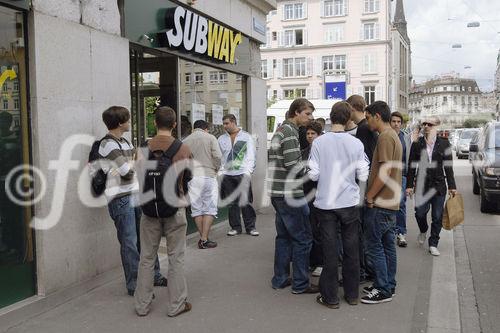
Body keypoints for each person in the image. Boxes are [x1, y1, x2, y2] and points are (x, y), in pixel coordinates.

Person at [98, 106, 167, 297]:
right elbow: (127, 173)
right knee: (130, 242)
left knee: (147, 239)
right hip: (121, 199)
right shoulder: (108, 145)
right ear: (120, 123)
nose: (130, 122)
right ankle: (135, 284)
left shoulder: (124, 141)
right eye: (128, 119)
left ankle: (154, 275)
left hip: (135, 195)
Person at [309, 102, 370, 308]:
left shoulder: (319, 142)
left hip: (326, 203)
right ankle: (352, 295)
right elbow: (363, 174)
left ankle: (331, 297)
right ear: (348, 119)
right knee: (352, 248)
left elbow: (313, 174)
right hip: (349, 202)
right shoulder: (356, 143)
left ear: (331, 117)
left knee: (330, 251)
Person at [134, 106, 192, 317]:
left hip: (149, 209)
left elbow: (139, 176)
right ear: (174, 124)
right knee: (176, 257)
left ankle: (142, 305)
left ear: (155, 123)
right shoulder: (182, 148)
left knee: (147, 257)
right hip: (174, 207)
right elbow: (188, 177)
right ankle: (176, 305)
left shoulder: (142, 148)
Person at [268, 98, 318, 294]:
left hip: (278, 192)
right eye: (307, 113)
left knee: (283, 238)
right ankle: (300, 283)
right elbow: (292, 165)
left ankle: (280, 278)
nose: (310, 118)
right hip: (290, 194)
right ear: (296, 112)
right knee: (303, 239)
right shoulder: (290, 132)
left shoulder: (279, 130)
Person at [361, 101, 402, 304]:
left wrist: (370, 196)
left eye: (368, 118)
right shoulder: (393, 135)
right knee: (387, 246)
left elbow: (384, 171)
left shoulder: (385, 136)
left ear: (377, 116)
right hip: (390, 202)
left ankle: (383, 288)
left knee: (375, 246)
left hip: (380, 202)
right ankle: (386, 284)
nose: (367, 122)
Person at [406, 116, 457, 256]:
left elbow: (448, 167)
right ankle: (423, 230)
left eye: (430, 124)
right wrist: (409, 185)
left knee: (437, 216)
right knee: (420, 213)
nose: (427, 126)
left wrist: (452, 186)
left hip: (439, 186)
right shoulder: (417, 144)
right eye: (424, 124)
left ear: (437, 127)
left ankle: (433, 243)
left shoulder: (444, 144)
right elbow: (411, 167)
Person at [346, 95, 378, 283]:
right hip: (368, 188)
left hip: (363, 188)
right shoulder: (365, 128)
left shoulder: (364, 130)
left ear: (352, 108)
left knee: (362, 233)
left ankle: (365, 271)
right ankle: (367, 269)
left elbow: (365, 163)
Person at [183, 120, 222, 249]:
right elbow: (217, 156)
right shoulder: (211, 138)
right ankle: (204, 239)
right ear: (206, 128)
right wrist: (216, 168)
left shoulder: (186, 140)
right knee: (209, 208)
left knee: (197, 209)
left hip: (193, 177)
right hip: (209, 176)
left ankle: (203, 239)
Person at [218, 114, 259, 236]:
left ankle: (251, 227)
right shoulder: (221, 139)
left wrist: (248, 171)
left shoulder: (246, 137)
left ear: (234, 122)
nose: (225, 126)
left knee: (245, 201)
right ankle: (235, 227)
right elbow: (220, 157)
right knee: (232, 203)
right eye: (223, 124)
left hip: (242, 173)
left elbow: (251, 155)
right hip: (227, 174)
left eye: (227, 123)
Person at [301, 121, 323, 277]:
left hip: (318, 193)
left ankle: (320, 262)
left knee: (317, 229)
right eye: (308, 134)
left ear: (319, 135)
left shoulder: (322, 151)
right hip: (305, 193)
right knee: (308, 228)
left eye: (312, 134)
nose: (309, 136)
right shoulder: (304, 151)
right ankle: (311, 260)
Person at [390, 112, 411, 247]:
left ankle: (401, 232)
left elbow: (411, 159)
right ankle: (390, 231)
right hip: (388, 176)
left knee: (401, 204)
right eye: (394, 121)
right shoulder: (384, 136)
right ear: (390, 122)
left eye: (398, 122)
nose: (396, 124)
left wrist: (411, 181)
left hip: (402, 175)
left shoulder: (406, 138)